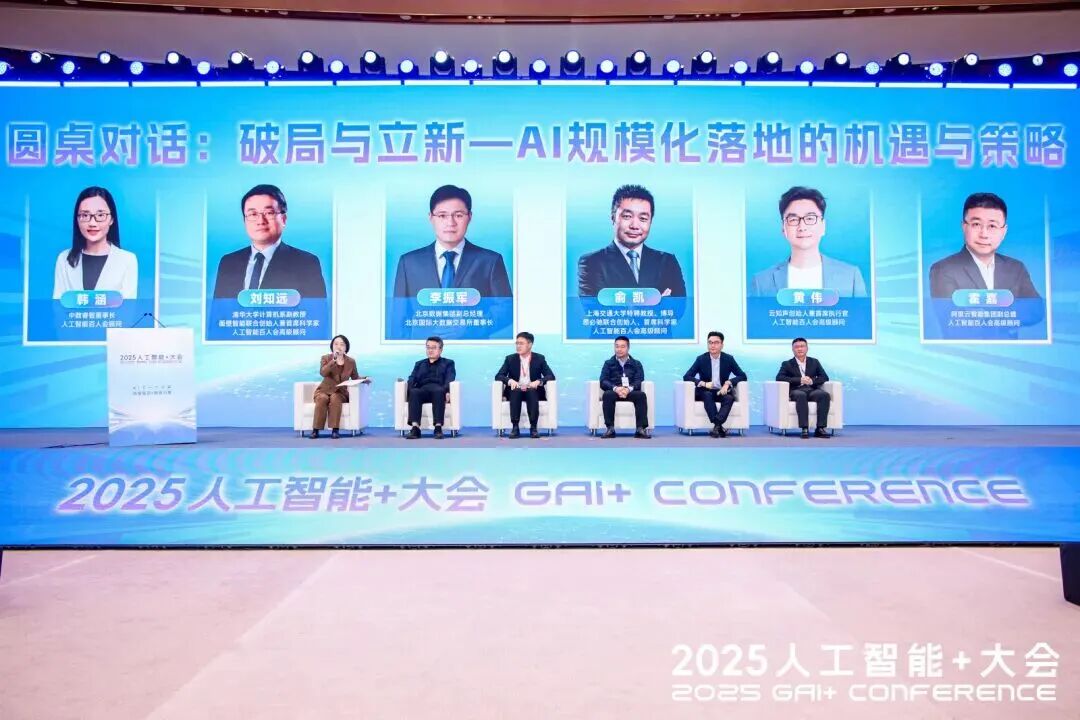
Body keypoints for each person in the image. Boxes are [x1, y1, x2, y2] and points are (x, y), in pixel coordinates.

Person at [393, 185, 512, 298]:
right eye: (442, 216)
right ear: (431, 217)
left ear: (469, 217)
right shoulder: (408, 263)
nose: (450, 223)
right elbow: (399, 311)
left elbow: (504, 308)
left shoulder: (491, 262)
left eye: (458, 215)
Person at [212, 184, 327, 299]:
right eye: (253, 214)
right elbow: (218, 309)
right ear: (244, 221)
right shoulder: (228, 263)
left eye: (269, 213)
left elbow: (316, 309)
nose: (260, 221)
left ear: (283, 219)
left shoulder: (306, 263)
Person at [750, 186, 868, 298]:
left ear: (823, 226)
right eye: (793, 219)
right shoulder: (761, 282)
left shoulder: (851, 277)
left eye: (810, 218)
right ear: (783, 228)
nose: (802, 227)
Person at [577, 184, 686, 297]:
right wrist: (656, 302)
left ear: (650, 222)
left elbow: (680, 305)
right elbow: (594, 306)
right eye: (627, 216)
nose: (634, 226)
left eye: (643, 218)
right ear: (613, 218)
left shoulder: (667, 262)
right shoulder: (592, 262)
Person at [929, 192, 1041, 299]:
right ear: (964, 227)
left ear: (1004, 232)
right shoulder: (943, 270)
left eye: (992, 226)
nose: (984, 234)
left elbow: (1036, 309)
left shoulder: (1016, 268)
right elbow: (948, 311)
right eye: (976, 224)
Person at [53, 186, 138, 299]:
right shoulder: (64, 259)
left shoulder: (127, 260)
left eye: (100, 215)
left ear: (112, 219)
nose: (92, 223)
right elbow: (58, 304)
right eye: (85, 215)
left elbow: (128, 307)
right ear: (77, 219)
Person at [682, 331, 748, 438]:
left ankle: (717, 426)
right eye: (710, 342)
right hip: (705, 391)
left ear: (722, 345)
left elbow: (743, 376)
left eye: (716, 342)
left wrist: (728, 383)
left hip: (721, 391)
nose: (712, 345)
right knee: (707, 395)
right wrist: (703, 383)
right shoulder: (701, 359)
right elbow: (687, 376)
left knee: (729, 398)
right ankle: (719, 427)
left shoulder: (728, 359)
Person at [494, 331, 556, 439]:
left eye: (521, 343)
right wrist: (510, 381)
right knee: (515, 391)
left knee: (531, 391)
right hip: (515, 390)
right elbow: (499, 376)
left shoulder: (539, 358)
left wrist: (539, 381)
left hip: (533, 390)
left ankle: (533, 428)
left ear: (530, 344)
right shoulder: (510, 359)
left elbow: (550, 376)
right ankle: (515, 427)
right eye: (517, 343)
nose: (518, 346)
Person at [310, 334, 365, 440]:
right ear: (332, 346)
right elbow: (323, 373)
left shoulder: (351, 362)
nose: (338, 346)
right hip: (324, 390)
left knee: (335, 398)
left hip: (340, 392)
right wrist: (334, 360)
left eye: (342, 344)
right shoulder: (326, 358)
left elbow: (355, 377)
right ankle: (315, 430)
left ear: (346, 348)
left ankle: (335, 430)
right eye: (335, 344)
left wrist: (365, 379)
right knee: (322, 398)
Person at [776, 337, 832, 439]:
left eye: (802, 346)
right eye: (796, 347)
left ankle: (820, 428)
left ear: (807, 348)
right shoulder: (787, 364)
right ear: (792, 349)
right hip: (796, 390)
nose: (800, 349)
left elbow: (824, 377)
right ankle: (804, 428)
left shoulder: (814, 362)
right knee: (801, 395)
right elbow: (779, 377)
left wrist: (812, 381)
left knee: (824, 395)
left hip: (811, 390)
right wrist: (800, 380)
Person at [598, 335, 649, 439]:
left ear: (628, 348)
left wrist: (628, 389)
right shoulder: (608, 363)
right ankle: (610, 429)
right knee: (607, 395)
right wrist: (616, 388)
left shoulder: (636, 364)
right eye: (617, 346)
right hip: (614, 391)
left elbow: (639, 380)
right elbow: (603, 380)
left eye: (622, 346)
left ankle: (640, 429)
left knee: (641, 395)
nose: (619, 349)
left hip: (630, 391)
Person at [405, 335, 457, 439]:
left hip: (438, 389)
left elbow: (450, 378)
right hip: (423, 390)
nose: (430, 350)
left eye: (433, 348)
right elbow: (412, 378)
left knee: (439, 391)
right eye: (428, 347)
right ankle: (415, 428)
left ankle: (438, 428)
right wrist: (408, 392)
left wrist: (447, 391)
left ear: (440, 349)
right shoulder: (419, 364)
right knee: (414, 392)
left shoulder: (448, 363)